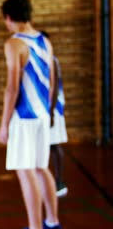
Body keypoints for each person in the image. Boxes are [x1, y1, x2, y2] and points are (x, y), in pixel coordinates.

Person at [0, 0, 65, 229]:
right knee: (41, 168)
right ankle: (52, 223)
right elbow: (51, 80)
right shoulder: (44, 41)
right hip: (41, 116)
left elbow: (12, 88)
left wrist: (4, 123)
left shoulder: (14, 44)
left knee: (25, 170)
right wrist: (48, 112)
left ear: (8, 17)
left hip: (24, 117)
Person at [40, 30, 69, 197]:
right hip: (46, 108)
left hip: (54, 109)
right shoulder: (42, 61)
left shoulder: (52, 61)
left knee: (55, 144)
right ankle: (52, 181)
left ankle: (59, 181)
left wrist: (51, 112)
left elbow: (55, 89)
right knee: (48, 145)